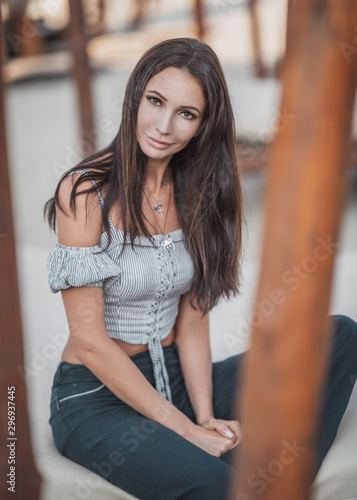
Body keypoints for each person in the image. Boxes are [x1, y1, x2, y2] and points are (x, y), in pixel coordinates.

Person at [45, 37, 357, 500]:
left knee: (340, 336)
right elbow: (90, 342)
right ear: (136, 96)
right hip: (98, 398)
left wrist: (206, 416)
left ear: (202, 125)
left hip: (178, 378)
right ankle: (236, 478)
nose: (164, 126)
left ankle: (276, 483)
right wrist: (189, 434)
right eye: (155, 101)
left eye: (186, 114)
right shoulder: (85, 192)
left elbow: (192, 320)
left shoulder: (200, 194)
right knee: (222, 489)